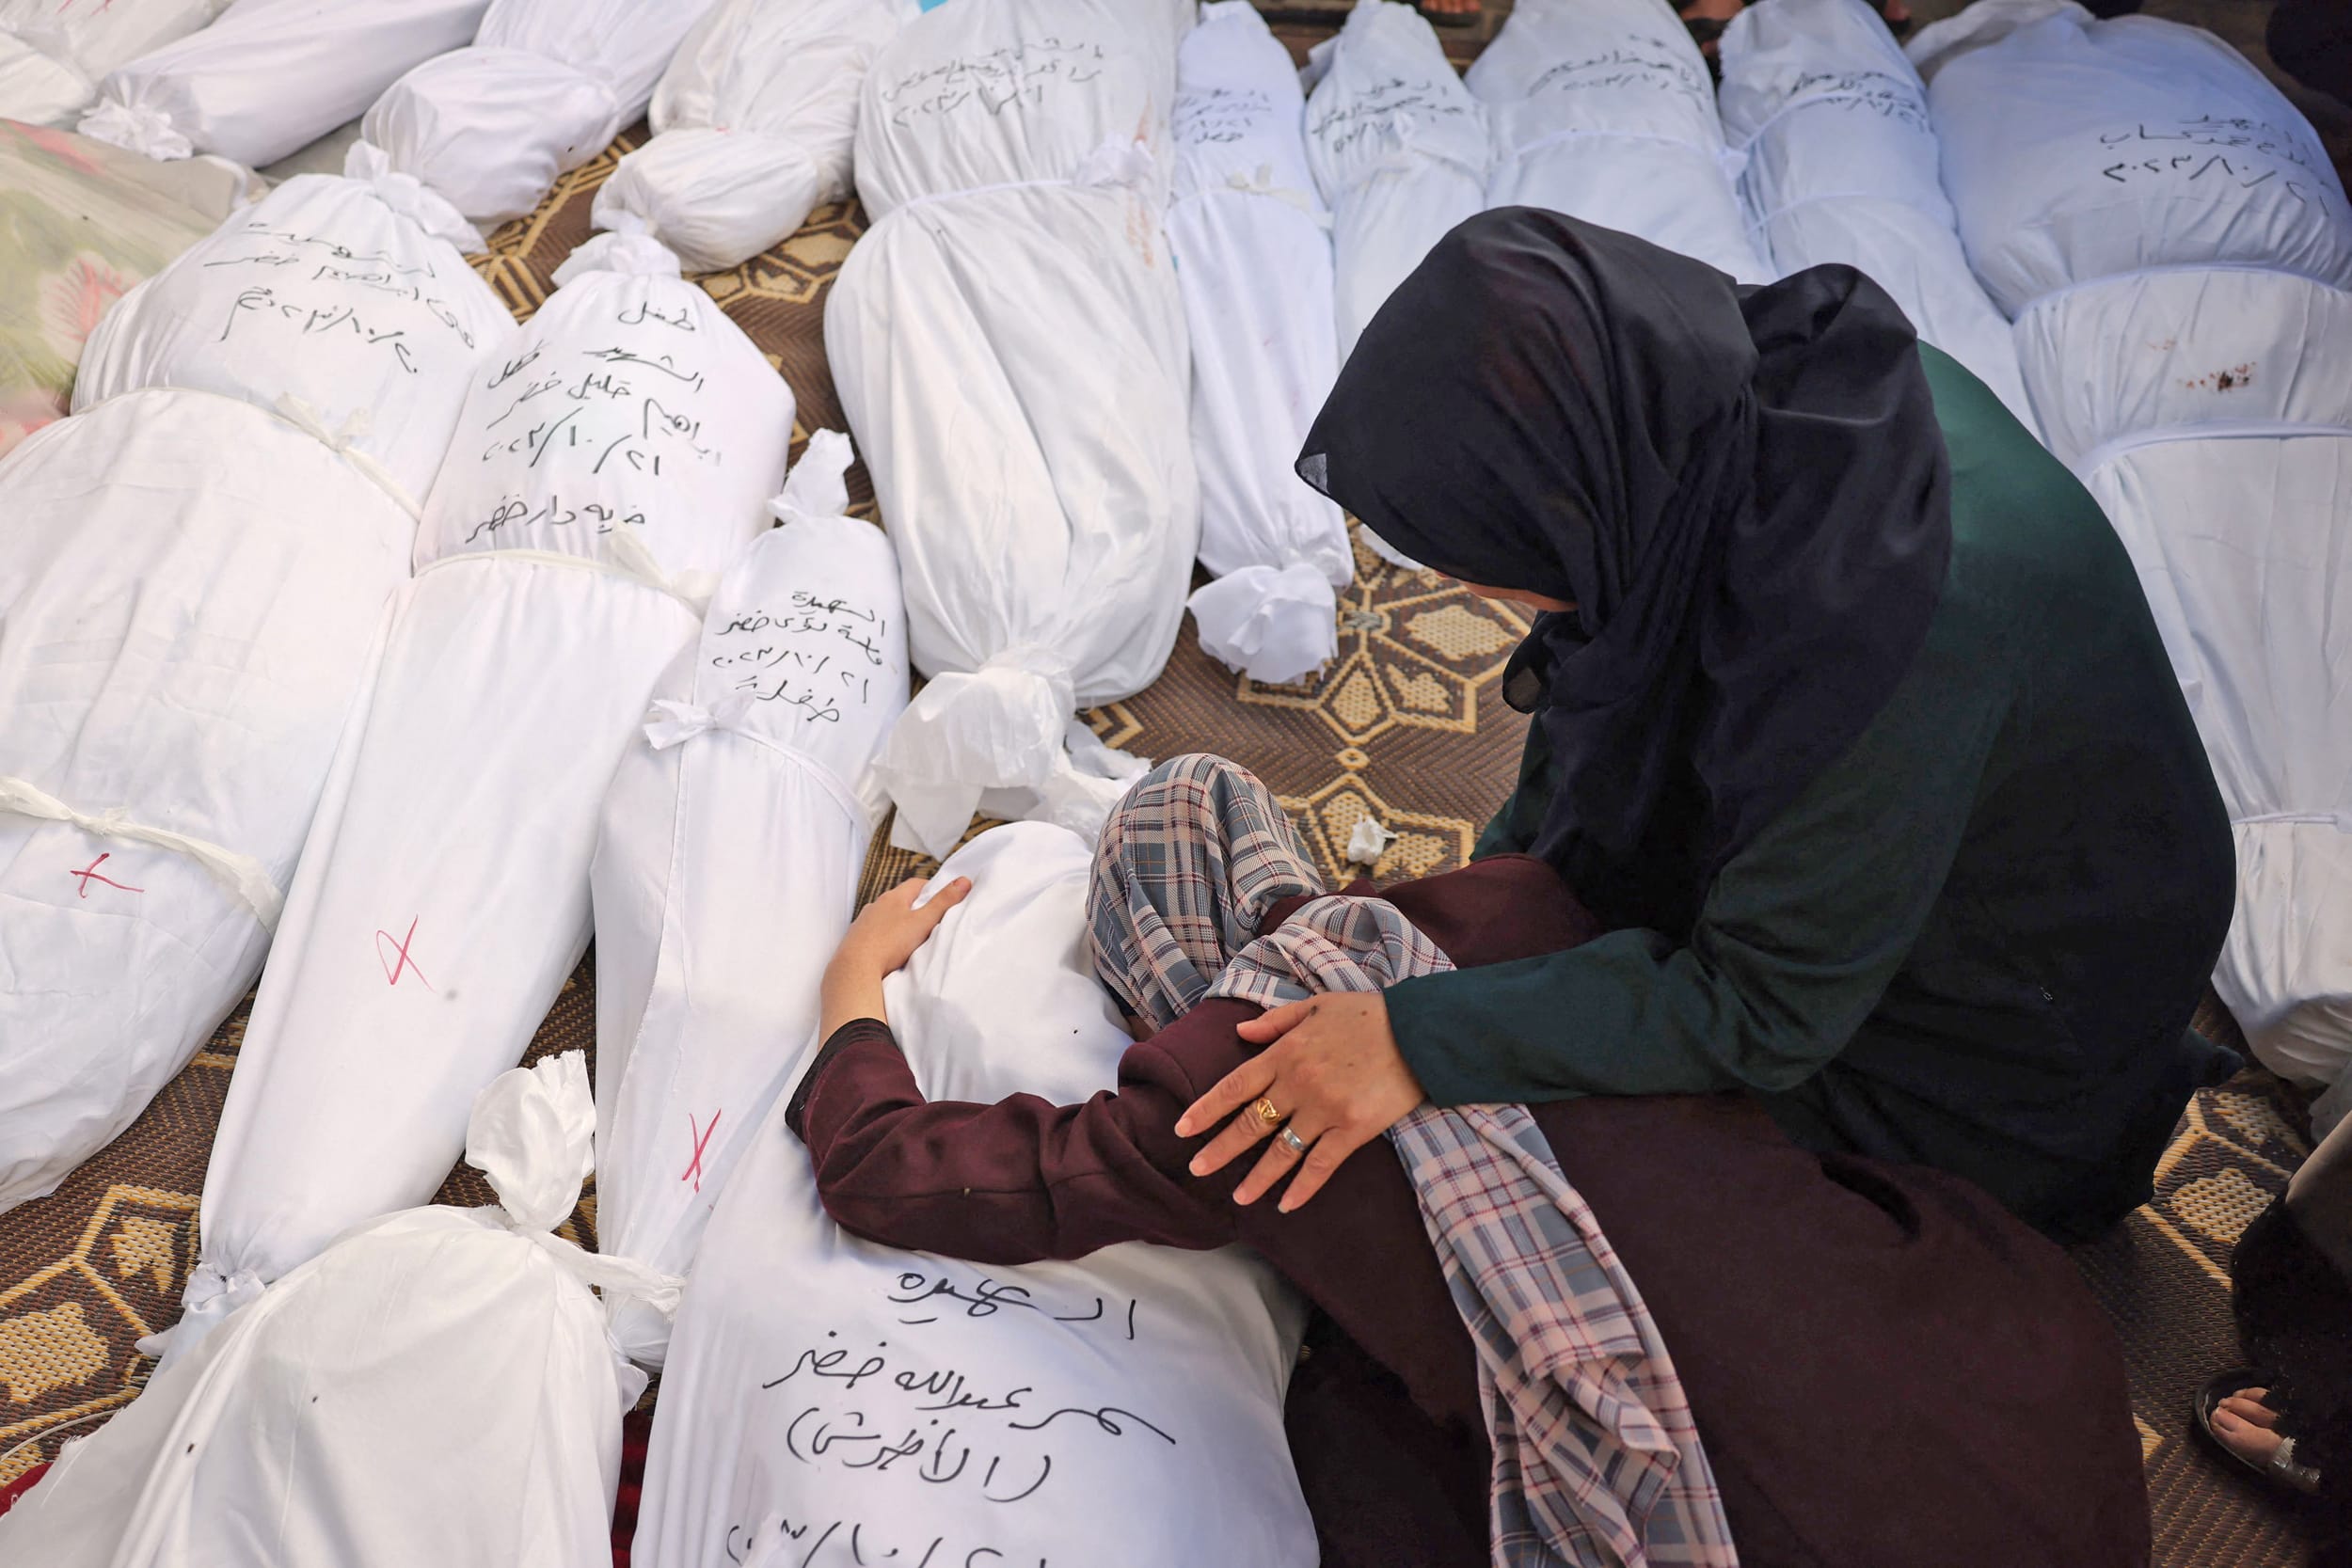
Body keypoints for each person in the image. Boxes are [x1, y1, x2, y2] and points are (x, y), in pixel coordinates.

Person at [1167, 206, 2238, 1244]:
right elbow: (1610, 672)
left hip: (1993, 1027)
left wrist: (1419, 1036)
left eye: (1494, 569)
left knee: (1530, 1160)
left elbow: (1765, 1008)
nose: (1497, 608)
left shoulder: (1884, 619)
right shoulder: (1702, 417)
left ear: (1574, 508)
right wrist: (1477, 912)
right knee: (1524, 998)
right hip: (1904, 847)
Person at [794, 756, 2154, 1567]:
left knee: (1334, 1416)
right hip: (2034, 1419)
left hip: (1778, 1526)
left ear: (1159, 971)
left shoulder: (1230, 1089)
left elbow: (903, 1172)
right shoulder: (1530, 909)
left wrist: (853, 990)